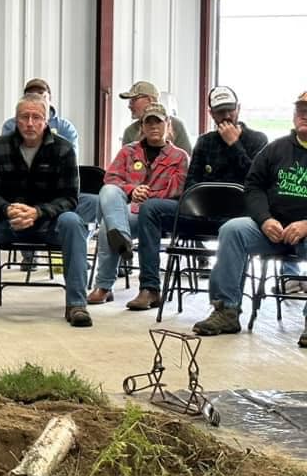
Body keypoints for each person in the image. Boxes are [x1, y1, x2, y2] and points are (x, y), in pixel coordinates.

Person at [0, 93, 92, 327]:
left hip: (50, 224)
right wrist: (7, 209)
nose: (30, 123)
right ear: (16, 119)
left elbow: (70, 198)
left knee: (73, 222)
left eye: (36, 117)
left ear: (46, 121)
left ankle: (76, 304)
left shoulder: (64, 149)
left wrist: (38, 213)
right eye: (24, 117)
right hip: (8, 221)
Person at [132, 86, 268, 309]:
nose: (225, 116)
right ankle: (150, 288)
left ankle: (227, 303)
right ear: (211, 114)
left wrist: (235, 145)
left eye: (229, 110)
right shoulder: (205, 142)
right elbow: (191, 184)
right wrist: (205, 199)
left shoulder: (257, 140)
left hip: (239, 218)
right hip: (202, 214)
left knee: (238, 226)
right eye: (219, 111)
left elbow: (258, 181)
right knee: (151, 208)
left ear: (238, 109)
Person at [192, 92, 307, 346]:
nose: (304, 115)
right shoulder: (276, 149)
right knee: (233, 229)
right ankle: (226, 311)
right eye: (300, 110)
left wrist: (305, 225)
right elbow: (253, 186)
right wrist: (265, 219)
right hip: (273, 230)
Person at [88, 103, 188, 306]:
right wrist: (132, 190)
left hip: (156, 213)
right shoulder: (128, 151)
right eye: (148, 122)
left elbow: (177, 189)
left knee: (109, 226)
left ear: (168, 125)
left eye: (158, 122)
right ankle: (122, 238)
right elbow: (112, 178)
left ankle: (104, 286)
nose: (153, 127)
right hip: (127, 208)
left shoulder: (179, 157)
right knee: (108, 192)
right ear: (141, 126)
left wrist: (147, 194)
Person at [2, 77, 97, 225]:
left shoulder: (65, 127)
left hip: (56, 184)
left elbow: (70, 160)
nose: (37, 98)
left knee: (93, 201)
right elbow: (9, 159)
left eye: (42, 94)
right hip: (22, 185)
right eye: (32, 95)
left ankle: (71, 235)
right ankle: (28, 238)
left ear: (50, 98)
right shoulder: (10, 125)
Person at [120, 80, 192, 153]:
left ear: (150, 100)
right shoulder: (130, 132)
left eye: (133, 100)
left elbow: (188, 160)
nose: (129, 106)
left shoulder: (176, 125)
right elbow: (124, 162)